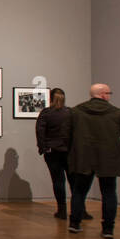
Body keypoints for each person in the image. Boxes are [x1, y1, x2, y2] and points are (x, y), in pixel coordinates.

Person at [67, 83, 120, 239]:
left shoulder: (76, 111)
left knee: (79, 192)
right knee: (109, 193)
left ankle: (74, 223)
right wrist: (119, 152)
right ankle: (108, 229)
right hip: (108, 159)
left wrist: (75, 152)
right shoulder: (117, 113)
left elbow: (67, 136)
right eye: (109, 93)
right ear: (104, 94)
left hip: (84, 158)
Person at [35, 87, 73, 219]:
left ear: (50, 98)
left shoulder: (46, 113)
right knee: (72, 181)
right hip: (68, 151)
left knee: (58, 181)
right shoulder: (70, 113)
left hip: (52, 152)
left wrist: (43, 148)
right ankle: (77, 209)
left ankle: (62, 210)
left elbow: (40, 132)